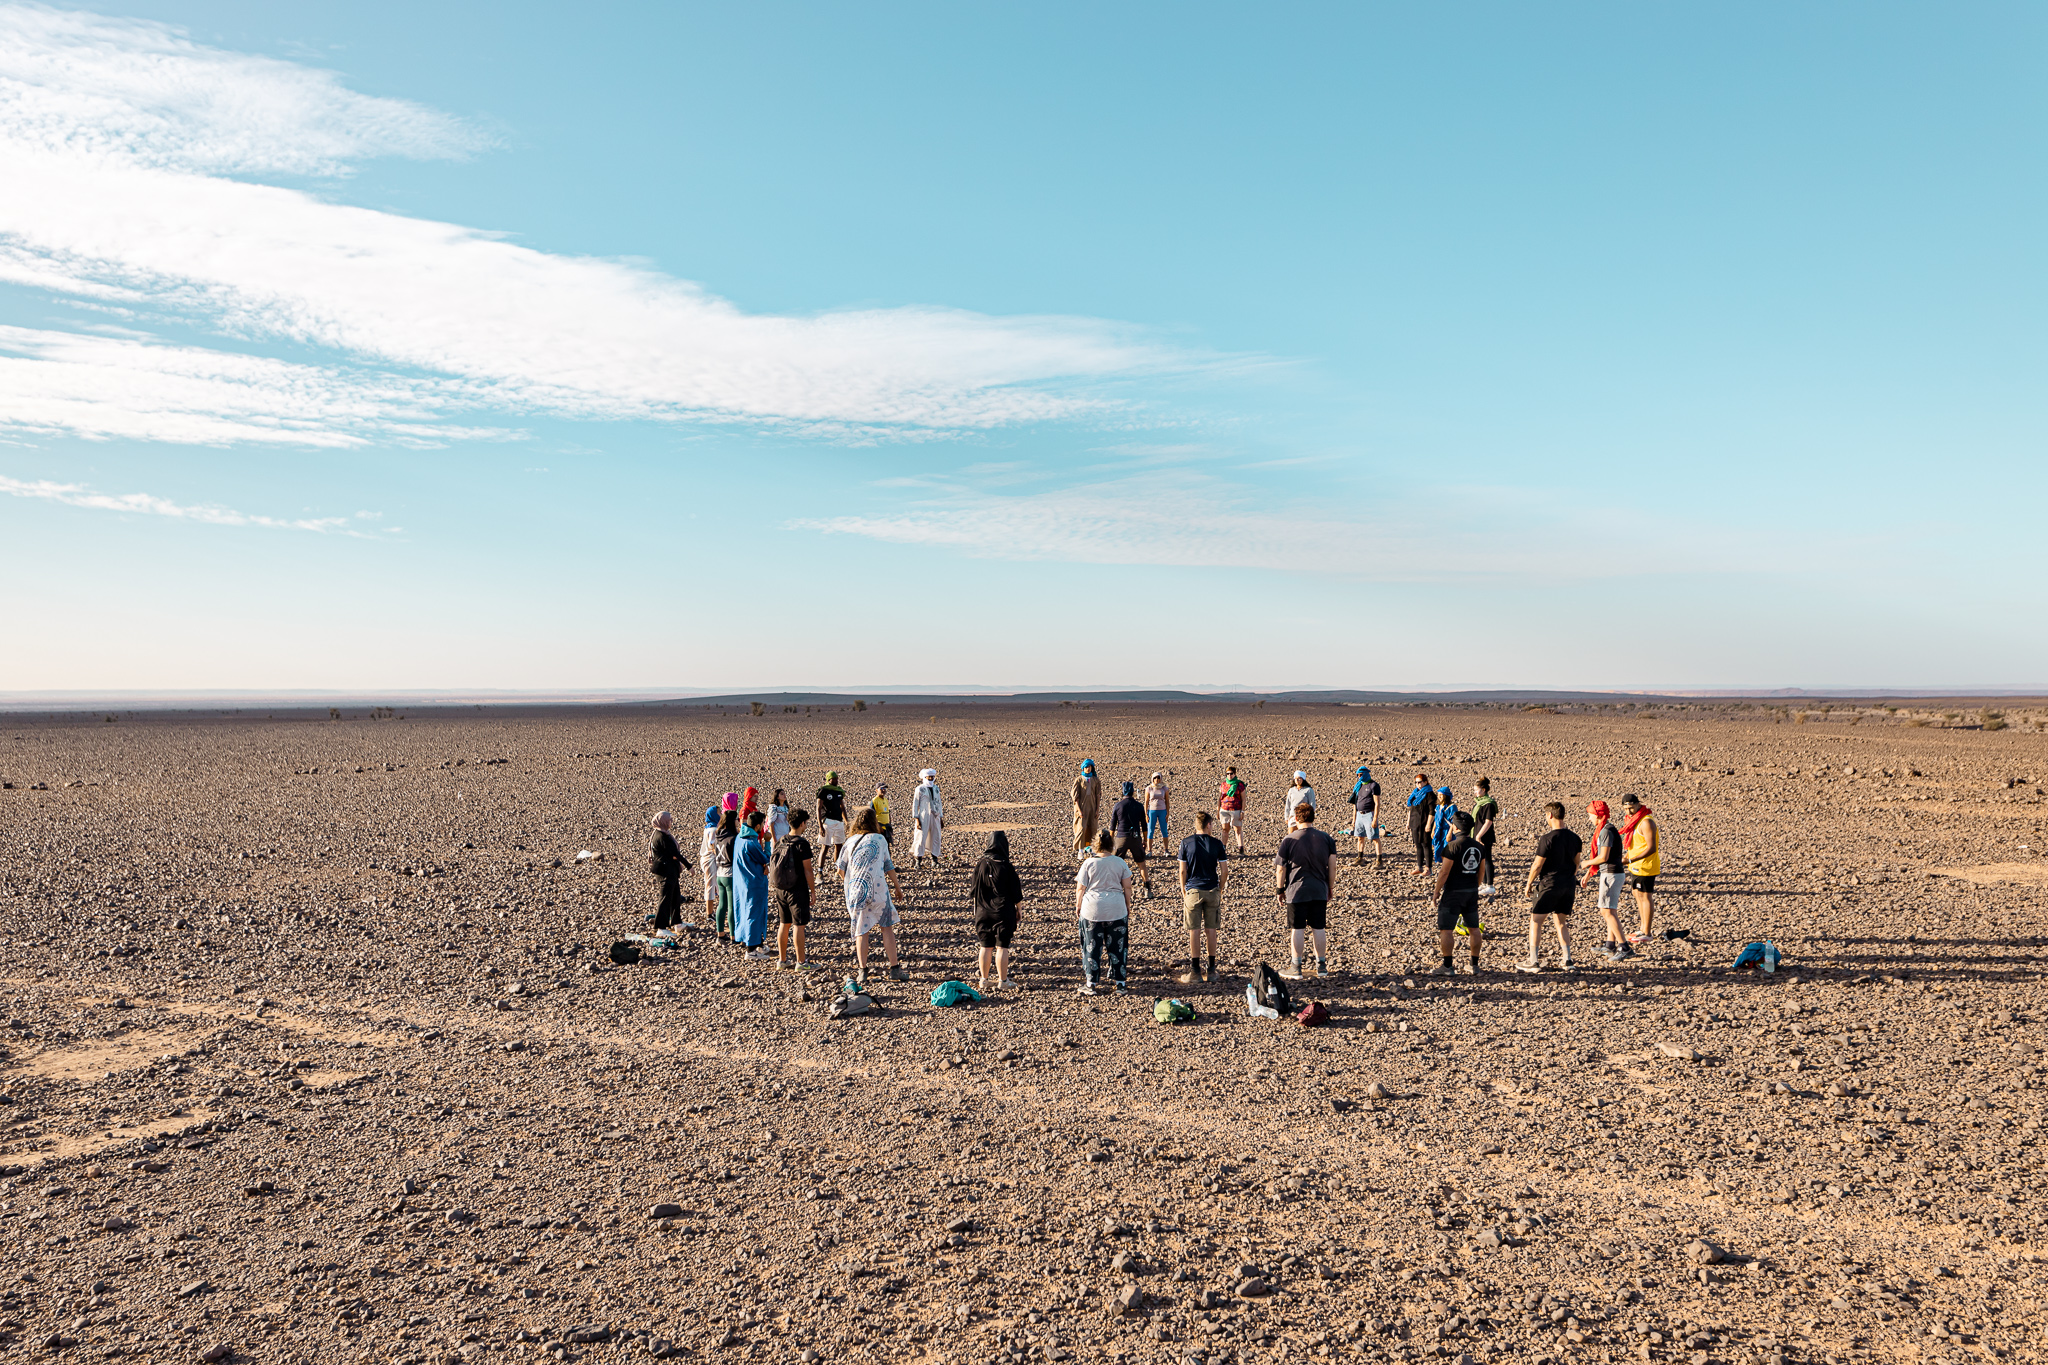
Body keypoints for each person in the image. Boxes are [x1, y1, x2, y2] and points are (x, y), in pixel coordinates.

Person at [838, 808, 909, 986]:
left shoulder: (849, 842)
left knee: (862, 931)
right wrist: (897, 888)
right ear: (873, 823)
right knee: (887, 927)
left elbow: (840, 869)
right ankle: (894, 969)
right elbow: (888, 865)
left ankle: (863, 972)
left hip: (857, 892)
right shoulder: (879, 839)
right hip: (879, 892)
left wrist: (852, 882)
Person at [1274, 802, 1337, 980]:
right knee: (1319, 926)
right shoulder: (1326, 838)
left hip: (1296, 890)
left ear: (1296, 818)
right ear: (1312, 817)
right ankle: (1322, 966)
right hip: (1319, 889)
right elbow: (1332, 866)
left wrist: (1280, 889)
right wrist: (1330, 887)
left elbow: (1281, 869)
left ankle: (1296, 966)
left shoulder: (1289, 840)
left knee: (1297, 927)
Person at [1517, 802, 1580, 972]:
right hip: (1568, 885)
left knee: (1536, 921)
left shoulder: (1547, 839)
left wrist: (1529, 883)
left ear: (1550, 815)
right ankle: (1567, 960)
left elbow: (1537, 865)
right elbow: (1577, 863)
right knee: (1561, 922)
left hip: (1549, 884)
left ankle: (1533, 961)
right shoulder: (1575, 838)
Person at [1429, 810, 1491, 975]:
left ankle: (1447, 966)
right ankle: (1474, 965)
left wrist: (1436, 892)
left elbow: (1444, 872)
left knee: (1446, 929)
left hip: (1453, 893)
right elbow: (1481, 871)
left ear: (1455, 828)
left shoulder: (1452, 846)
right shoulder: (1479, 847)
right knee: (1474, 928)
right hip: (1471, 892)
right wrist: (1474, 886)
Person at [1074, 830, 1133, 996]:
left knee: (1091, 946)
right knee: (1118, 947)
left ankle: (1091, 983)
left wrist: (1078, 905)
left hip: (1092, 909)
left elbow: (1080, 888)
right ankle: (1120, 982)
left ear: (1095, 845)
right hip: (1116, 908)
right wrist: (1127, 905)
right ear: (1111, 845)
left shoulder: (1088, 863)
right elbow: (1127, 887)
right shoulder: (1120, 862)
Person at [1175, 810, 1231, 984]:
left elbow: (1182, 870)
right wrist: (1220, 888)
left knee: (1194, 930)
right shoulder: (1217, 844)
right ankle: (1212, 969)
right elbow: (1224, 871)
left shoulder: (1186, 843)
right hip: (1212, 889)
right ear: (1208, 825)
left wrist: (1183, 889)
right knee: (1211, 929)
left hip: (1193, 890)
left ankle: (1195, 970)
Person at [970, 830, 1025, 991]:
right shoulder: (1007, 867)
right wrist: (1019, 910)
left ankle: (984, 979)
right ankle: (1003, 980)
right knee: (1002, 946)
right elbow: (1017, 893)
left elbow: (974, 890)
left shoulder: (980, 865)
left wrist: (976, 911)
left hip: (983, 911)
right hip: (1003, 911)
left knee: (985, 946)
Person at [1578, 800, 1632, 961]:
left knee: (1606, 911)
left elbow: (1603, 857)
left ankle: (1625, 947)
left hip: (1611, 874)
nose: (1589, 819)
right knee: (1610, 910)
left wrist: (1586, 863)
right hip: (1612, 873)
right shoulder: (1605, 829)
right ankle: (1610, 945)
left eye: (1590, 815)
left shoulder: (1606, 832)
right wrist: (1588, 875)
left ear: (1599, 815)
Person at [769, 809, 817, 970]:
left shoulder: (782, 840)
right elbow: (808, 870)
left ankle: (782, 960)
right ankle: (801, 962)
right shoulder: (802, 843)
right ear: (802, 823)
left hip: (781, 888)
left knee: (784, 923)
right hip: (797, 889)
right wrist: (813, 891)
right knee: (799, 925)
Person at [1620, 794, 1660, 945]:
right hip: (1636, 866)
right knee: (1637, 894)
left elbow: (1651, 848)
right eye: (1626, 809)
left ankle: (1647, 932)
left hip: (1645, 866)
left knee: (1645, 897)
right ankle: (1642, 928)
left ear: (1638, 805)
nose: (1629, 812)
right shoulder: (1633, 822)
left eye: (1631, 808)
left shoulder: (1646, 822)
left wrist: (1629, 859)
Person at [732, 809, 772, 959]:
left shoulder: (739, 838)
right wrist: (767, 842)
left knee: (744, 911)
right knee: (754, 914)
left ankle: (755, 943)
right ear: (757, 826)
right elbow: (765, 858)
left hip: (742, 882)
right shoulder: (751, 842)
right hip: (754, 884)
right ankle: (751, 949)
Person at [647, 811, 690, 931]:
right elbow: (675, 854)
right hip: (666, 871)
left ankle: (677, 923)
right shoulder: (661, 836)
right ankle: (661, 927)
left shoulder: (663, 834)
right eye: (669, 820)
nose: (671, 822)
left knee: (675, 896)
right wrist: (688, 866)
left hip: (670, 871)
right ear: (663, 822)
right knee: (665, 898)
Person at [1109, 780, 1151, 897]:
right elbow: (1144, 825)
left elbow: (1112, 826)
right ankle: (1147, 889)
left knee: (1116, 864)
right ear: (1132, 792)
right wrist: (1145, 840)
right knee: (1141, 864)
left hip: (1121, 837)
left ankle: (1115, 888)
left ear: (1123, 792)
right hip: (1135, 837)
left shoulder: (1118, 806)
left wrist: (1111, 841)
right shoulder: (1139, 806)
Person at [816, 772, 849, 878]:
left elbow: (842, 807)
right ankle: (819, 872)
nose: (836, 781)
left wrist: (846, 821)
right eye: (833, 779)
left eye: (836, 779)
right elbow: (818, 808)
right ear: (828, 779)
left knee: (839, 845)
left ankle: (837, 870)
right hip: (828, 821)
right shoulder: (823, 791)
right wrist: (820, 825)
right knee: (825, 846)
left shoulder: (839, 792)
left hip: (838, 821)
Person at [1471, 778, 1501, 896]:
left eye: (1477, 790)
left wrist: (1479, 836)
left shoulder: (1489, 804)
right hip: (1477, 834)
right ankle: (1483, 883)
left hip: (1484, 836)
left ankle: (1490, 885)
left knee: (1487, 859)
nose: (1475, 793)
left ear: (1483, 790)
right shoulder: (1479, 803)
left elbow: (1488, 822)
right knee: (1480, 860)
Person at [910, 768, 945, 870]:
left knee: (936, 837)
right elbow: (915, 804)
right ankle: (918, 861)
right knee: (920, 837)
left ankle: (935, 860)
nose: (931, 779)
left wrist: (941, 817)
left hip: (935, 816)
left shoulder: (936, 788)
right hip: (923, 816)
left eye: (932, 777)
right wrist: (916, 819)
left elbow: (939, 803)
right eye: (929, 777)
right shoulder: (919, 789)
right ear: (925, 777)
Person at [712, 806, 739, 940]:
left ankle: (720, 933)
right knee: (732, 906)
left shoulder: (718, 835)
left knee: (722, 905)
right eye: (737, 819)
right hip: (730, 874)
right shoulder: (734, 837)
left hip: (720, 873)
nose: (738, 821)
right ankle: (734, 935)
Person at [1349, 766, 1382, 866]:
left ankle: (1379, 861)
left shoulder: (1374, 785)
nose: (1359, 777)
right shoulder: (1358, 786)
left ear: (1366, 773)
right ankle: (1360, 858)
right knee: (1360, 837)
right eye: (1358, 775)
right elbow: (1355, 803)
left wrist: (1375, 819)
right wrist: (1354, 819)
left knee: (1375, 838)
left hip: (1369, 814)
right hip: (1359, 814)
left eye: (1361, 774)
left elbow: (1377, 803)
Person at [1071, 759, 1102, 860]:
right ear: (1083, 768)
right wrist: (1079, 810)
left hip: (1092, 807)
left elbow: (1098, 795)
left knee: (1092, 828)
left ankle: (1091, 849)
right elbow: (1075, 797)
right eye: (1086, 767)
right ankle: (1080, 850)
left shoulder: (1095, 780)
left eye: (1090, 767)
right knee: (1081, 828)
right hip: (1082, 808)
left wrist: (1097, 809)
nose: (1088, 769)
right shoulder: (1079, 780)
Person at [1405, 774, 1435, 875]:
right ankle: (1419, 867)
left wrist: (1429, 824)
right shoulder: (1415, 794)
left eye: (1420, 782)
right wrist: (1408, 822)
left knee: (1426, 845)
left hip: (1425, 823)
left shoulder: (1430, 795)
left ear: (1425, 782)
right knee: (1418, 844)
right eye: (1416, 782)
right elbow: (1411, 808)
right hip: (1415, 822)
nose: (1418, 784)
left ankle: (1428, 868)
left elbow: (1432, 812)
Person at [1215, 765, 1248, 855]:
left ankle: (1241, 848)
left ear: (1235, 774)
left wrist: (1242, 811)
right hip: (1224, 809)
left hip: (1236, 809)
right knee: (1225, 829)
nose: (1229, 775)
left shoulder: (1240, 785)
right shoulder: (1223, 785)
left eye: (1231, 774)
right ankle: (1223, 848)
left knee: (1237, 829)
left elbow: (1244, 799)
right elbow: (1219, 798)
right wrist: (1218, 810)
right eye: (1227, 774)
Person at [697, 806, 720, 918]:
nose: (721, 814)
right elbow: (713, 844)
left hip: (706, 858)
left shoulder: (708, 828)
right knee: (711, 885)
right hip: (711, 858)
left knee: (711, 884)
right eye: (719, 812)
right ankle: (709, 912)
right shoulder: (713, 829)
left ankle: (711, 911)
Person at [1144, 772, 1172, 857]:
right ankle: (1149, 851)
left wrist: (1167, 812)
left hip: (1162, 810)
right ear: (1152, 779)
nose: (1157, 780)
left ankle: (1166, 850)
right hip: (1152, 811)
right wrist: (1146, 814)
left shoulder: (1164, 789)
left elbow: (1167, 801)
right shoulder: (1149, 788)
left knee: (1164, 830)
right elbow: (1146, 801)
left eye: (1158, 778)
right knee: (1150, 830)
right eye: (1155, 778)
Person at [1430, 786, 1458, 861]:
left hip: (1447, 830)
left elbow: (1453, 822)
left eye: (1441, 795)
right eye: (1438, 794)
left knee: (1447, 849)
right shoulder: (1438, 807)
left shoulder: (1452, 807)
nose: (1439, 796)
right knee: (1438, 847)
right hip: (1438, 830)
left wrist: (1449, 834)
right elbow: (1436, 819)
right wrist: (1433, 830)